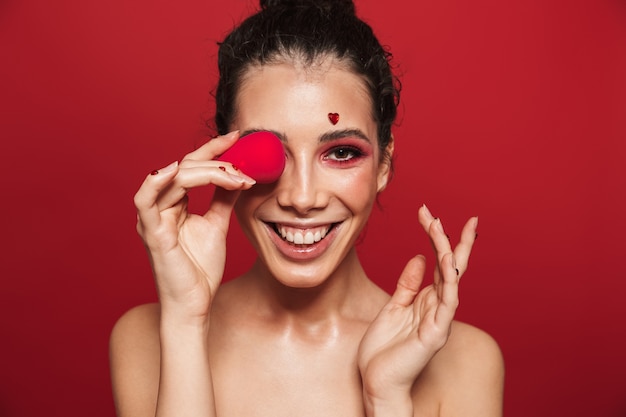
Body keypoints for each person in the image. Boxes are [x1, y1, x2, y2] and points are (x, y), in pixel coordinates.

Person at [109, 0, 505, 415]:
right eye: (267, 154)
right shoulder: (147, 338)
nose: (301, 198)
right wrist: (186, 321)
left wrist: (385, 399)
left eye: (341, 153)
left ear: (384, 165)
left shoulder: (464, 360)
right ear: (219, 160)